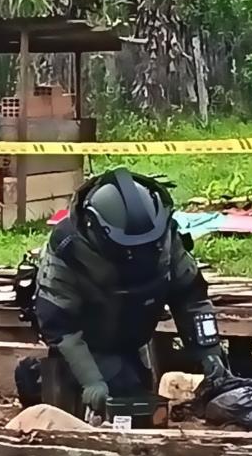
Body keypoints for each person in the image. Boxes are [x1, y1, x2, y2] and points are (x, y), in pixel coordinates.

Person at [13, 167, 229, 419]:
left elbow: (191, 297)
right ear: (96, 231)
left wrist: (209, 352)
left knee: (141, 397)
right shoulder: (68, 248)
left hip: (134, 334)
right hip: (86, 343)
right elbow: (60, 327)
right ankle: (35, 378)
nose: (138, 256)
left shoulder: (166, 238)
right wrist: (91, 380)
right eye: (128, 249)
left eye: (146, 247)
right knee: (118, 393)